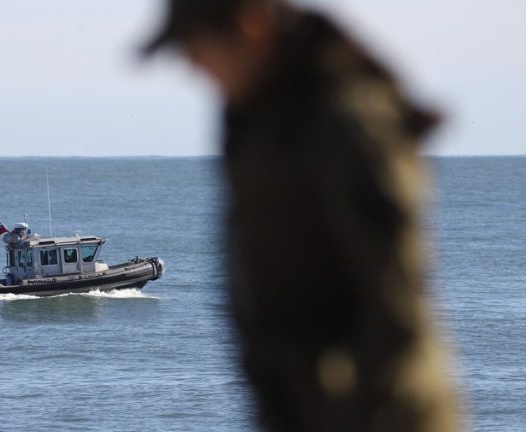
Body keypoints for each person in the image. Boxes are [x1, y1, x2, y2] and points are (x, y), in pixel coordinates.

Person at [143, 1, 459, 431]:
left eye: (197, 45)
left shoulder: (344, 121)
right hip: (308, 406)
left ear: (251, 26)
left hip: (372, 413)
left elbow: (395, 298)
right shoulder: (264, 121)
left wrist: (366, 408)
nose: (192, 64)